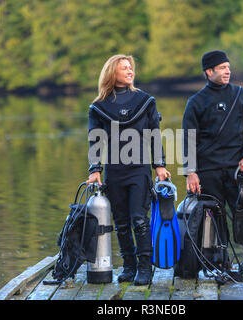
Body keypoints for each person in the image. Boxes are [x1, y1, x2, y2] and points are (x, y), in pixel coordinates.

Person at [181, 50, 243, 280]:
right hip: (207, 172)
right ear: (209, 72)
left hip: (238, 170)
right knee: (215, 221)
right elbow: (188, 140)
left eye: (228, 67)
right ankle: (222, 263)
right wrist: (191, 172)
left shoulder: (242, 95)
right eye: (222, 68)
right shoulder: (195, 102)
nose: (228, 71)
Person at [86, 54, 170, 285]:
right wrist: (95, 169)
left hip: (139, 169)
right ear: (112, 73)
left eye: (131, 67)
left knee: (139, 219)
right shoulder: (98, 107)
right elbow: (95, 140)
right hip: (114, 170)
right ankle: (129, 266)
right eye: (124, 68)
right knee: (121, 222)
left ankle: (145, 268)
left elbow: (154, 134)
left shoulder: (145, 101)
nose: (130, 70)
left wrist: (160, 165)